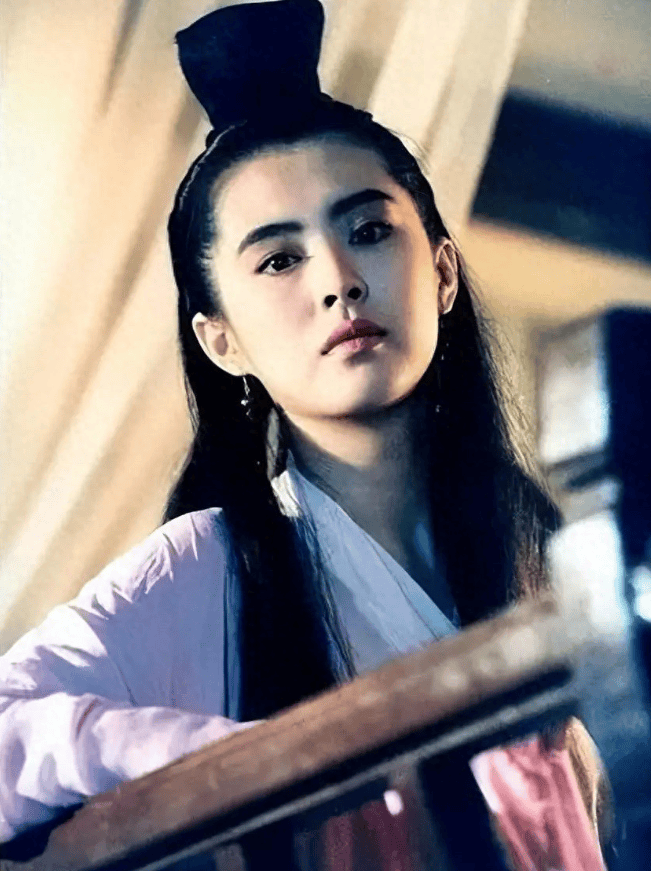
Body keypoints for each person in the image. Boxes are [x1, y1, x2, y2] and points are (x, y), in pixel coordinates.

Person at [0, 1, 608, 867]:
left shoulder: (548, 549)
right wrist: (235, 758)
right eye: (279, 259)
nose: (338, 279)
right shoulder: (207, 566)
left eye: (368, 230)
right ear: (222, 340)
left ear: (441, 272)